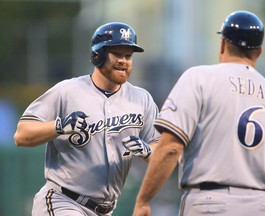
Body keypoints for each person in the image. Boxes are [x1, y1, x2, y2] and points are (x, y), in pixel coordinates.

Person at [132, 10, 265, 216]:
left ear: (223, 44)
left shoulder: (199, 78)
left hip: (211, 203)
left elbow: (170, 147)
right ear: (259, 51)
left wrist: (143, 200)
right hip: (262, 206)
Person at [14, 22, 159, 216]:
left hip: (105, 210)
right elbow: (22, 134)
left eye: (128, 55)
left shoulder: (142, 99)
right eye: (117, 53)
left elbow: (162, 151)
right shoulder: (67, 91)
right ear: (97, 55)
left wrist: (148, 151)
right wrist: (59, 126)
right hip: (63, 201)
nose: (124, 61)